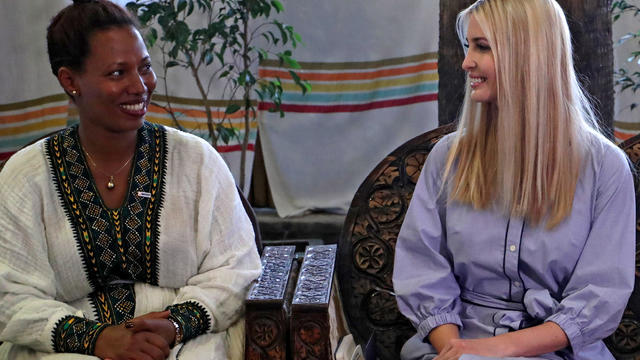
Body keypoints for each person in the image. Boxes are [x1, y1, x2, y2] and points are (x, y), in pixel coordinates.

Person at [0, 0, 262, 359]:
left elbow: (238, 268)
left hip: (188, 341)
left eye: (145, 67)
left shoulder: (197, 161)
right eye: (117, 73)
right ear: (70, 80)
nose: (140, 86)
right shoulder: (25, 176)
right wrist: (98, 339)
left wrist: (175, 324)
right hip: (63, 348)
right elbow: (11, 294)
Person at [392, 0, 635, 359]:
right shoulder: (448, 157)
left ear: (529, 55)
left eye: (483, 47)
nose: (466, 62)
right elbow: (422, 269)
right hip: (453, 344)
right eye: (468, 45)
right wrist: (456, 351)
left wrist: (492, 351)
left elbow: (600, 295)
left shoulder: (605, 168)